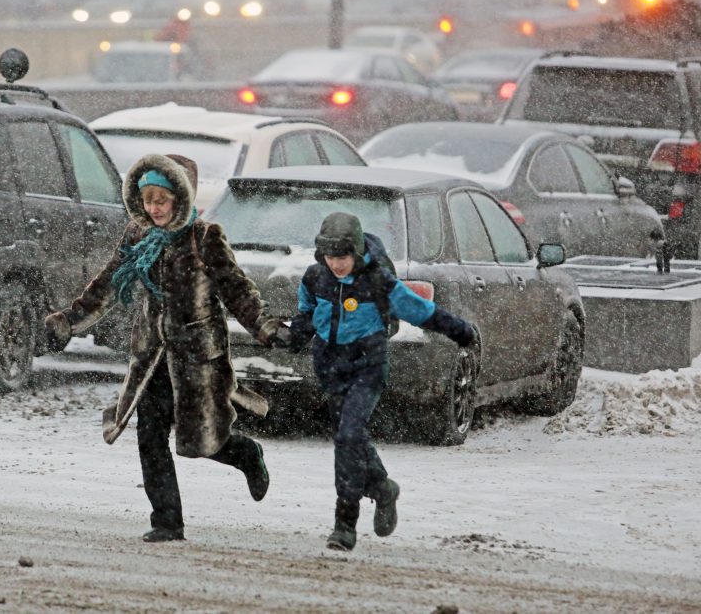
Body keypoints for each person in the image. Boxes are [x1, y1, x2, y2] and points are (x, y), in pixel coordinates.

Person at [41, 153, 288, 543]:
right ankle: (167, 521)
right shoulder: (137, 238)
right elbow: (106, 285)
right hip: (152, 356)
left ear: (181, 199)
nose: (153, 209)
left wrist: (267, 328)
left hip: (197, 359)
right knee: (149, 436)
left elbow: (238, 291)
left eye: (162, 200)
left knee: (202, 441)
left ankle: (244, 454)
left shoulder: (205, 239)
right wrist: (69, 321)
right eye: (147, 200)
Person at [287, 212, 477, 551]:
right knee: (352, 438)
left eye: (343, 257)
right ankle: (382, 487)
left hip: (367, 368)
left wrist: (459, 330)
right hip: (330, 368)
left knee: (347, 438)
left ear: (357, 253)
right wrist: (290, 337)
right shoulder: (316, 277)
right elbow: (305, 313)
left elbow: (419, 309)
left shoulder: (376, 281)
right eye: (330, 257)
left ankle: (344, 524)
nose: (337, 264)